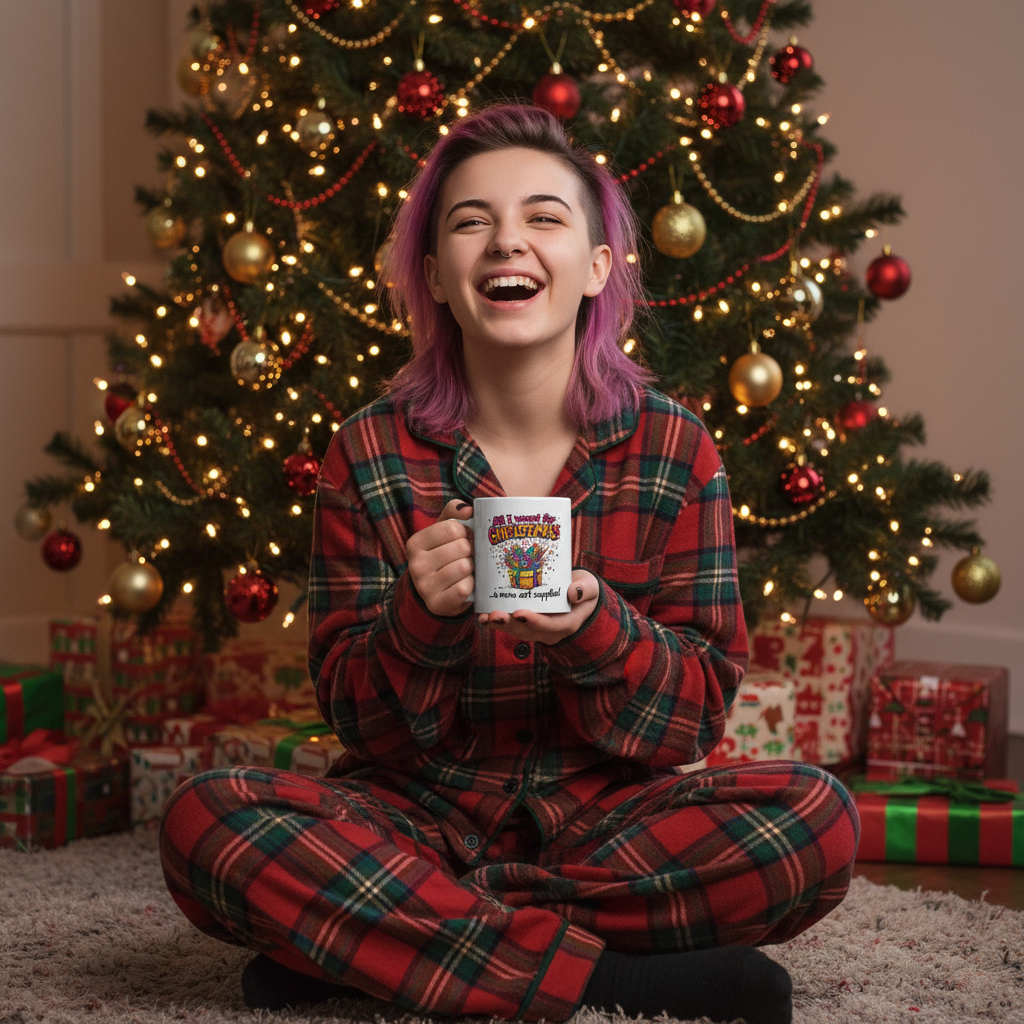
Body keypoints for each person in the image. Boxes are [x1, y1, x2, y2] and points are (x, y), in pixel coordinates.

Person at [160, 103, 859, 1024]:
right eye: (470, 221)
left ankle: (384, 947)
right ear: (437, 279)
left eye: (542, 217)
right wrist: (421, 618)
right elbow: (357, 724)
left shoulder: (675, 448)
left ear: (597, 268)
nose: (505, 242)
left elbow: (694, 720)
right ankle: (606, 982)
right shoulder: (369, 451)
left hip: (608, 823)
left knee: (818, 822)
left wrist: (593, 628)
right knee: (206, 822)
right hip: (412, 818)